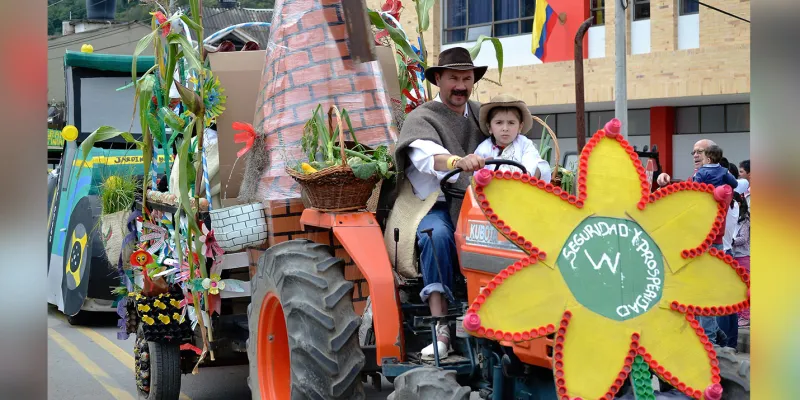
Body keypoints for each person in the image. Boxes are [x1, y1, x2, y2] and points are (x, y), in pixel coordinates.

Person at [390, 47, 489, 360]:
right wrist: (459, 161)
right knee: (437, 237)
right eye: (453, 78)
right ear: (438, 80)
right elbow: (427, 160)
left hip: (480, 204)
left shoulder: (483, 115)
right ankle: (441, 328)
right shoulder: (422, 118)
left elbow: (509, 143)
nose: (460, 85)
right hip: (434, 205)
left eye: (466, 78)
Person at [655, 139, 728, 344]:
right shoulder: (698, 177)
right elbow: (686, 190)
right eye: (693, 152)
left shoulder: (719, 178)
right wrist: (667, 182)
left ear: (711, 155)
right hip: (693, 245)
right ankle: (708, 337)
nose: (695, 155)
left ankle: (711, 342)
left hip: (710, 244)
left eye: (700, 152)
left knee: (703, 295)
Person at [474, 94, 551, 180]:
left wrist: (527, 174)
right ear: (490, 127)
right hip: (492, 190)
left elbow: (531, 159)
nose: (505, 128)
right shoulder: (483, 148)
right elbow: (477, 173)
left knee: (541, 165)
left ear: (520, 127)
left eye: (511, 123)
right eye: (499, 122)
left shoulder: (524, 144)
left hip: (521, 186)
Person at [731, 192, 750, 327]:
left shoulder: (744, 220)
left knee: (745, 287)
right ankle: (739, 313)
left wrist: (731, 241)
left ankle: (746, 315)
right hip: (734, 255)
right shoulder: (731, 216)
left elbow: (743, 239)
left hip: (743, 256)